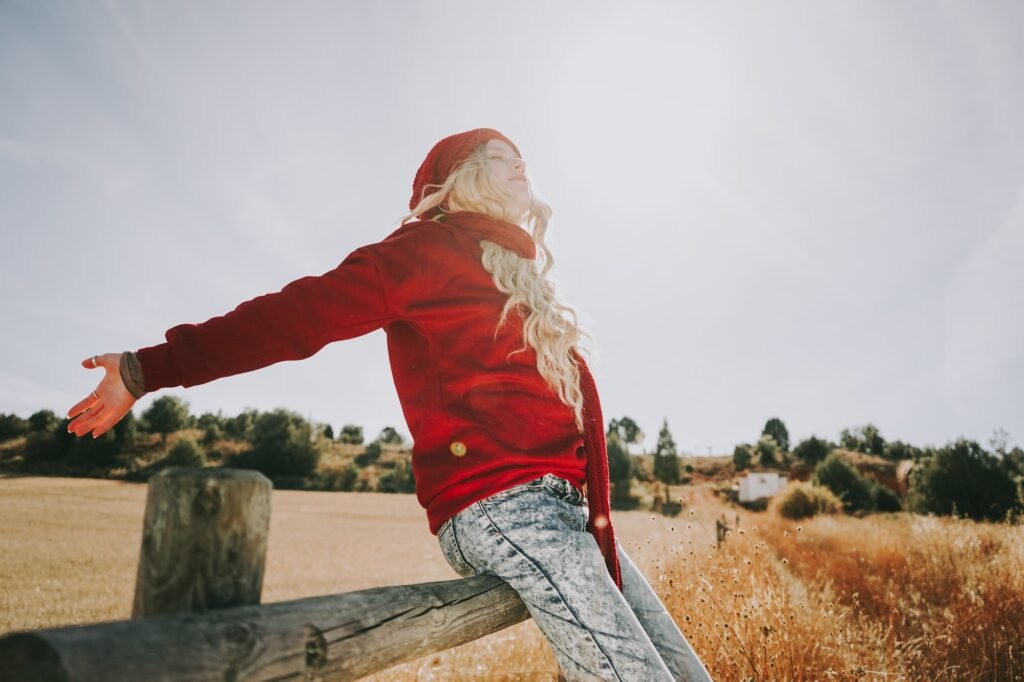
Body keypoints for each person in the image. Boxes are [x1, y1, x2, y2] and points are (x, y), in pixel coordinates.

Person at [66, 128, 712, 681]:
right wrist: (146, 368)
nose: (521, 164)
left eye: (523, 157)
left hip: (571, 517)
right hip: (499, 506)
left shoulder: (519, 276)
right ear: (455, 180)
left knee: (683, 668)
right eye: (497, 154)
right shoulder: (421, 252)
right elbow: (293, 317)